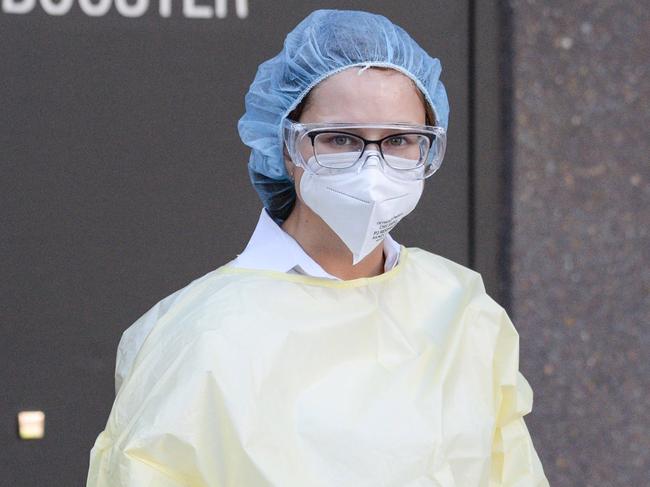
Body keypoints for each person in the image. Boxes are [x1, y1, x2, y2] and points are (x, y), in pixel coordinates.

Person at [86, 9, 549, 487]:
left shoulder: (461, 309)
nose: (373, 168)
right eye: (340, 139)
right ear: (287, 147)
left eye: (401, 140)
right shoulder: (198, 333)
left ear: (428, 150)